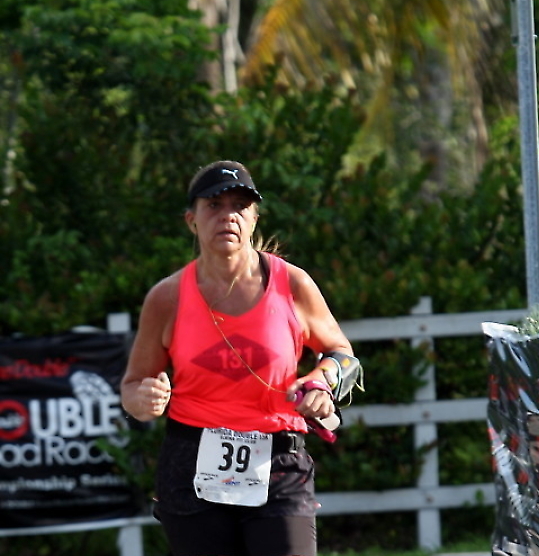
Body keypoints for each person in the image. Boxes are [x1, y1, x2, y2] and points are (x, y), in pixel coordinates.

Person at [120, 160, 362, 556]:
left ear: (254, 219)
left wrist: (323, 381)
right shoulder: (167, 297)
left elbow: (344, 356)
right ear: (191, 220)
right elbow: (133, 388)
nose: (227, 216)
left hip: (280, 460)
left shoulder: (293, 284)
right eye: (214, 205)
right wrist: (143, 400)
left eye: (240, 206)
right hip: (192, 461)